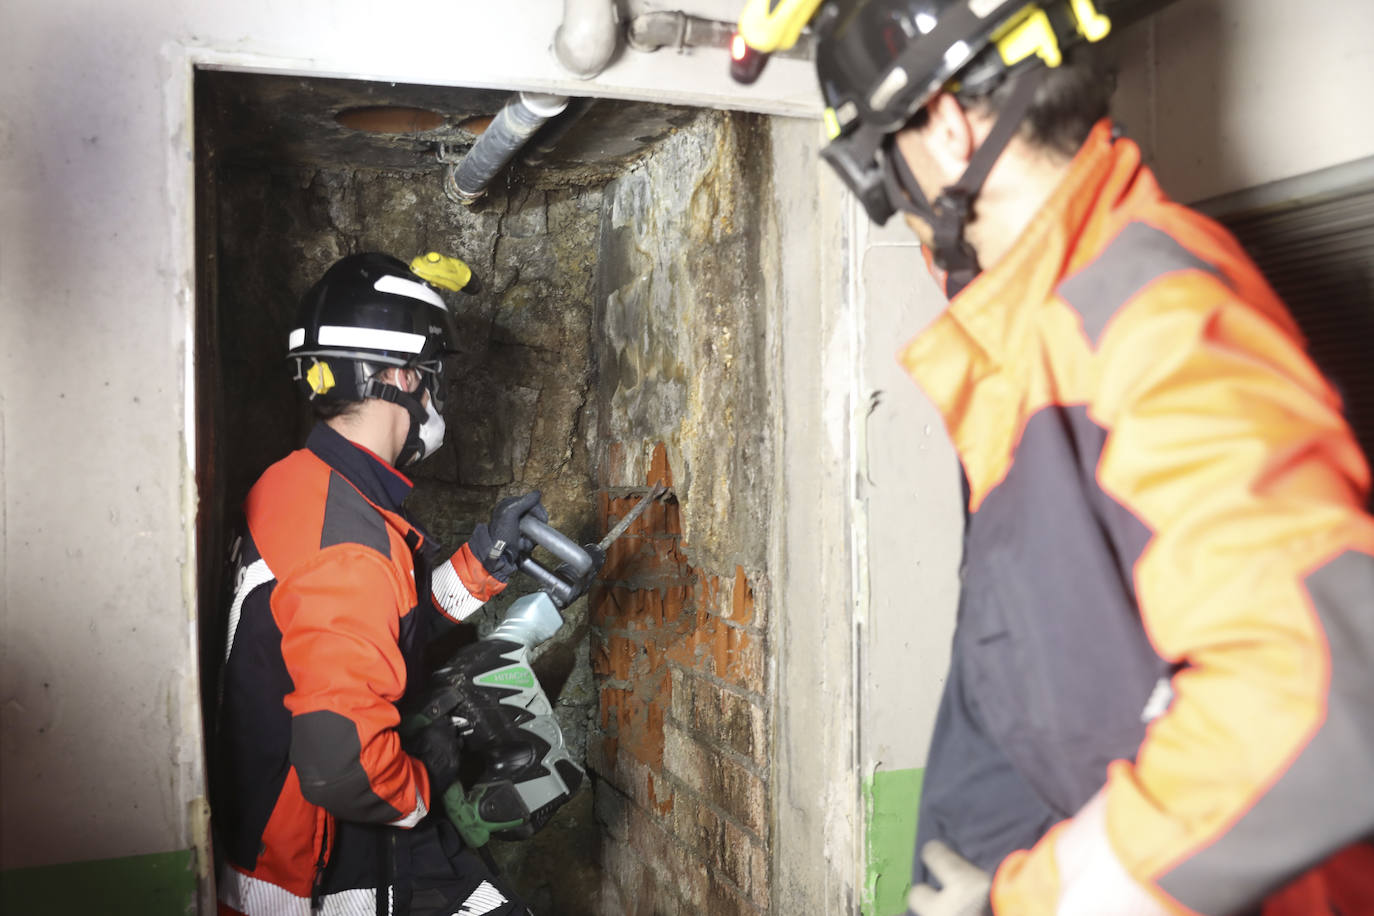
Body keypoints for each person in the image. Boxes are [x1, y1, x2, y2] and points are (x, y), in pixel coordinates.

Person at [803, 1, 1374, 913]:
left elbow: (1321, 683)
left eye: (883, 159)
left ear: (947, 128)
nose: (893, 198)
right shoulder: (1043, 319)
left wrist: (1043, 899)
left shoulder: (1144, 318)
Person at [211, 252, 544, 915]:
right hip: (327, 871)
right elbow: (344, 768)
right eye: (430, 375)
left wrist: (483, 562)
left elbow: (377, 626)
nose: (433, 394)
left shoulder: (298, 484)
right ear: (396, 375)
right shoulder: (352, 545)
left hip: (284, 830)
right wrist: (429, 779)